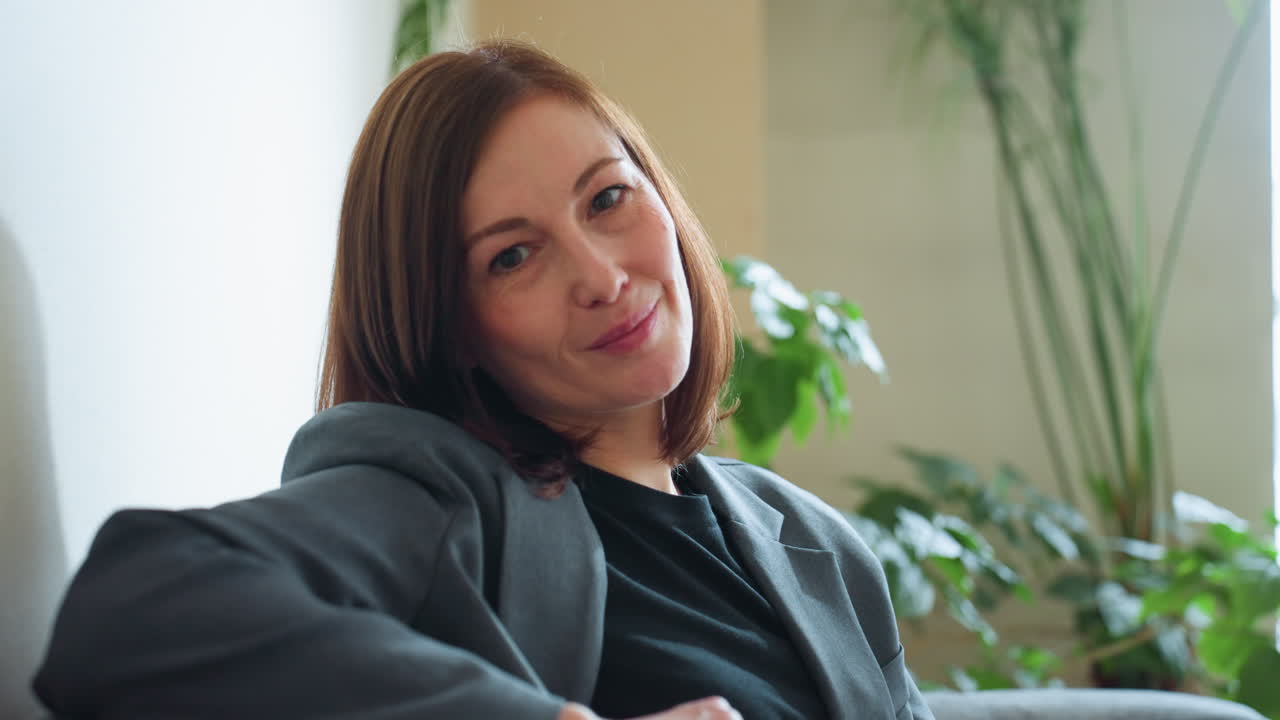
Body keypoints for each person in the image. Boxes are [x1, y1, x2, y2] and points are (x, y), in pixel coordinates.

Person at [32, 40, 933, 720]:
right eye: (512, 256)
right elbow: (128, 612)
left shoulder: (820, 543)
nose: (602, 276)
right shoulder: (434, 494)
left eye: (607, 199)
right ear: (452, 328)